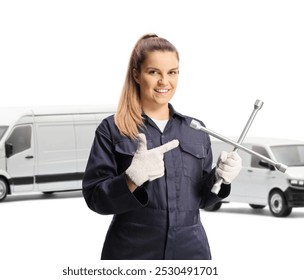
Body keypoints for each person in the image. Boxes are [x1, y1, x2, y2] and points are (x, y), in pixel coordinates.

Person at [82, 34, 242, 260]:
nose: (164, 82)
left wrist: (221, 179)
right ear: (137, 75)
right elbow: (95, 199)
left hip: (191, 252)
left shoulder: (196, 130)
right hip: (131, 252)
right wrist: (131, 179)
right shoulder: (113, 129)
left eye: (172, 72)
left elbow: (205, 200)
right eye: (153, 72)